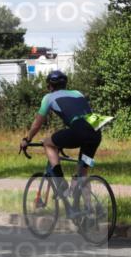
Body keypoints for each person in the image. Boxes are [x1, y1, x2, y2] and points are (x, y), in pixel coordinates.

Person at [20, 70, 111, 199]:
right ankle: (89, 213)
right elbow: (81, 114)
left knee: (48, 143)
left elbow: (37, 124)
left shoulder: (48, 97)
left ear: (50, 86)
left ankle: (60, 182)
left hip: (79, 130)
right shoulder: (77, 93)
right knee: (82, 175)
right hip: (96, 132)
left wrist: (27, 139)